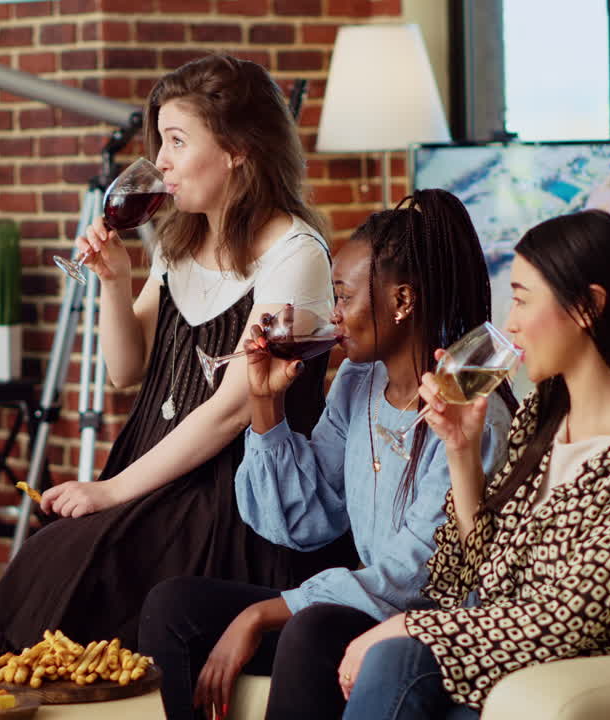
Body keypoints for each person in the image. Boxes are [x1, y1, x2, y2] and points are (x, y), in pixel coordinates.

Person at [0, 53, 355, 653]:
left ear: (238, 150)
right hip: (158, 472)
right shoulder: (182, 240)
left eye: (177, 141)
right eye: (160, 141)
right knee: (55, 556)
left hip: (232, 496)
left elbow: (235, 409)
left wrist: (112, 491)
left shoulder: (295, 253)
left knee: (81, 568)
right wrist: (113, 281)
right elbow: (126, 373)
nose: (160, 162)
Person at [139, 191, 517, 720]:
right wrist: (266, 403)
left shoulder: (470, 413)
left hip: (423, 626)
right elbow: (305, 519)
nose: (334, 316)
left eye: (343, 297)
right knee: (173, 607)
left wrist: (260, 614)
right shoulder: (359, 383)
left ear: (401, 301)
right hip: (366, 607)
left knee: (310, 629)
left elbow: (416, 575)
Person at [339, 209, 610, 719]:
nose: (509, 324)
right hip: (516, 673)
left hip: (593, 684)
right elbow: (468, 576)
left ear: (588, 307)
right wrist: (460, 450)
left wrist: (406, 626)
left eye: (521, 299)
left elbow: (562, 620)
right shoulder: (543, 416)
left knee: (397, 656)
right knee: (373, 656)